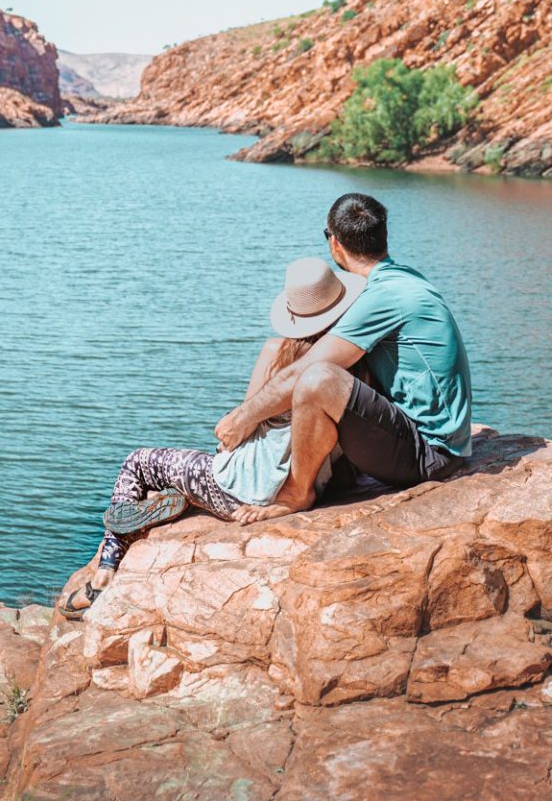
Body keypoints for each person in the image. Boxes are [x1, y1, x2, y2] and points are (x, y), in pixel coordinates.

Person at [61, 258, 364, 618]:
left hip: (239, 491)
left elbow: (242, 426)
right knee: (190, 472)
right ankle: (181, 498)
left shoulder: (278, 352)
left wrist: (226, 443)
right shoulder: (354, 362)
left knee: (138, 462)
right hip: (307, 482)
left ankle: (105, 573)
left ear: (295, 314)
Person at [212, 191, 472, 522]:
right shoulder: (403, 279)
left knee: (319, 378)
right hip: (434, 442)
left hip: (429, 456)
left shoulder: (383, 296)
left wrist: (242, 417)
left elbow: (301, 373)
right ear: (384, 236)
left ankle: (296, 493)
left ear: (335, 244)